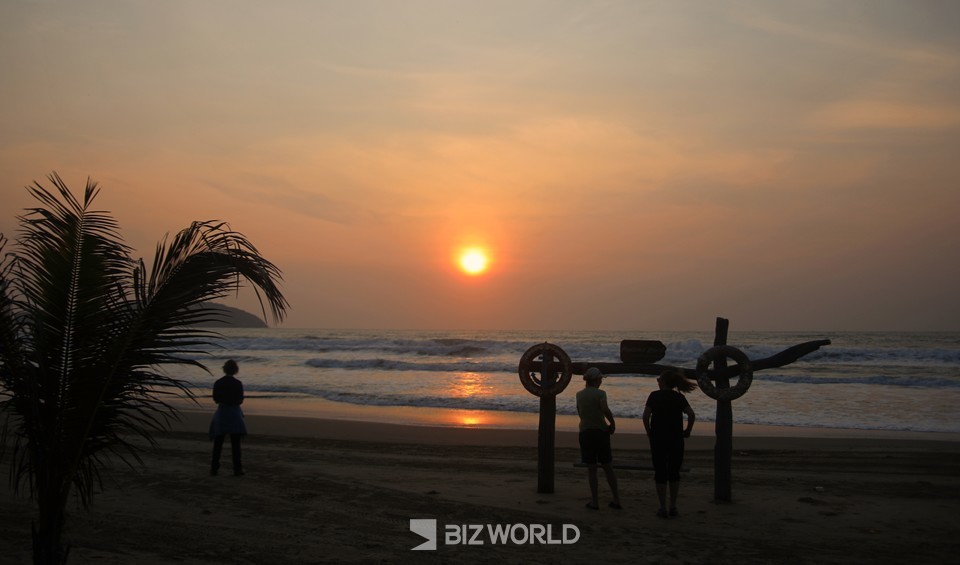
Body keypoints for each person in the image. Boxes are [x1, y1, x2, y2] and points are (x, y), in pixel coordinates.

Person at [642, 369, 697, 518]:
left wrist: (649, 432)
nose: (657, 381)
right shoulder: (679, 397)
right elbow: (691, 415)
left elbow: (646, 416)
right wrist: (687, 430)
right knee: (674, 472)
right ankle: (673, 506)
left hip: (658, 438)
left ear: (664, 381)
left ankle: (662, 507)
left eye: (659, 379)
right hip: (676, 438)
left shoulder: (654, 396)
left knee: (660, 472)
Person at [575, 367, 622, 510]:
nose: (601, 381)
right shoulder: (601, 393)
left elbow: (580, 412)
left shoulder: (579, 394)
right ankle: (616, 499)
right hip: (600, 432)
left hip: (585, 432)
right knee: (608, 467)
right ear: (596, 380)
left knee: (592, 469)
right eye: (600, 379)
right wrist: (612, 423)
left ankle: (595, 501)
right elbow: (605, 409)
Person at [209, 360, 246, 476]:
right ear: (235, 370)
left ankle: (214, 468)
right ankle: (237, 468)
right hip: (234, 413)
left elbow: (215, 398)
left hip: (222, 412)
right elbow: (240, 400)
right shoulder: (238, 383)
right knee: (236, 443)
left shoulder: (218, 382)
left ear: (224, 369)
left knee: (218, 442)